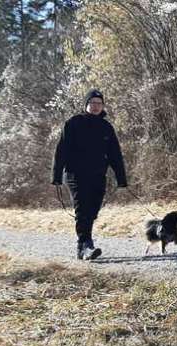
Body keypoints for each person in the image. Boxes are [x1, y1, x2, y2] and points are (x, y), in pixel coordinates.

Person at [51, 89, 127, 260]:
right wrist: (56, 175)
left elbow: (115, 154)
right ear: (86, 104)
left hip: (98, 175)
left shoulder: (106, 127)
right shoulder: (73, 123)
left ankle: (84, 244)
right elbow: (61, 150)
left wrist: (121, 178)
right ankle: (85, 245)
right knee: (83, 208)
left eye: (99, 103)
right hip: (75, 175)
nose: (95, 106)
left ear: (102, 106)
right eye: (92, 103)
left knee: (93, 209)